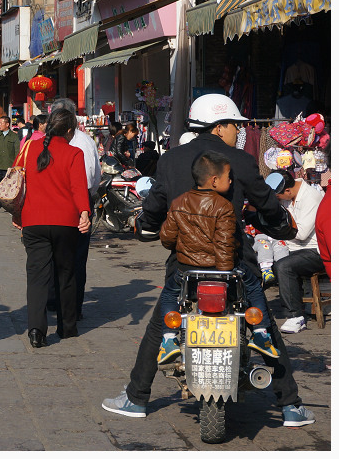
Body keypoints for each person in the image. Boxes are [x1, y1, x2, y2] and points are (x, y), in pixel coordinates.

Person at [102, 93, 314, 427]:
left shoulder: (171, 160)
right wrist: (281, 224)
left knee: (161, 323)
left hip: (185, 265)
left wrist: (146, 227)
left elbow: (155, 208)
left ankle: (136, 397)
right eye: (235, 125)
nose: (238, 132)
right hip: (235, 263)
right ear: (220, 126)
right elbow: (267, 204)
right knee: (265, 324)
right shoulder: (240, 161)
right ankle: (290, 405)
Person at [157, 152, 279, 363]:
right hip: (221, 269)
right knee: (253, 286)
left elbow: (167, 239)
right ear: (214, 181)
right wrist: (224, 273)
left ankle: (168, 339)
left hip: (187, 269)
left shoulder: (179, 203)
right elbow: (224, 244)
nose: (231, 181)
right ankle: (260, 334)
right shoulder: (223, 206)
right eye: (228, 176)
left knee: (169, 294)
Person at [19, 109, 91, 348]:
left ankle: (36, 331)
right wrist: (84, 212)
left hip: (33, 221)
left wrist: (17, 214)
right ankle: (67, 327)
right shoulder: (73, 152)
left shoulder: (30, 148)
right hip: (65, 222)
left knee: (37, 277)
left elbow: (17, 178)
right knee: (66, 274)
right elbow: (78, 187)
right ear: (69, 130)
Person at [48, 97, 101, 320]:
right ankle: (60, 302)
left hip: (76, 204)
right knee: (64, 257)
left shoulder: (82, 143)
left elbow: (89, 179)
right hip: (71, 202)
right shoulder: (65, 142)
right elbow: (95, 178)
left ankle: (71, 306)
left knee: (74, 258)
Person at [266, 170, 326, 334]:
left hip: (314, 251)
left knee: (284, 266)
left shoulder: (311, 197)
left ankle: (295, 316)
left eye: (278, 196)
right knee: (264, 264)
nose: (277, 199)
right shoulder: (288, 195)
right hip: (291, 247)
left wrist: (276, 231)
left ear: (287, 191)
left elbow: (300, 234)